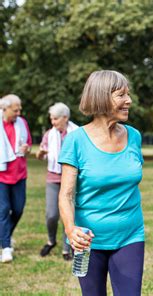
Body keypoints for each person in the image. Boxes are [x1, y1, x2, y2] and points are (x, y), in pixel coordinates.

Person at [58, 70, 145, 295]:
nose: (129, 101)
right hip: (88, 240)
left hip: (130, 234)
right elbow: (66, 194)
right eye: (121, 95)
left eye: (128, 95)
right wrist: (70, 229)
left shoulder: (134, 136)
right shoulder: (76, 140)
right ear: (101, 97)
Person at [36, 102, 78, 260]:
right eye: (51, 119)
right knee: (52, 214)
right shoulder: (49, 134)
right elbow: (40, 157)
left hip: (72, 178)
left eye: (55, 119)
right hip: (53, 178)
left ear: (65, 118)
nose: (52, 122)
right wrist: (40, 152)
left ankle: (67, 248)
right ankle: (51, 240)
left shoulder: (77, 133)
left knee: (69, 214)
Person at [0, 94, 32, 263]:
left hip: (19, 174)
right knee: (3, 210)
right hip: (1, 176)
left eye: (20, 109)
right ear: (4, 109)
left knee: (18, 209)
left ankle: (4, 235)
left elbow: (27, 144)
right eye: (15, 109)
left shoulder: (22, 123)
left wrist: (26, 149)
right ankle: (6, 247)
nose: (19, 112)